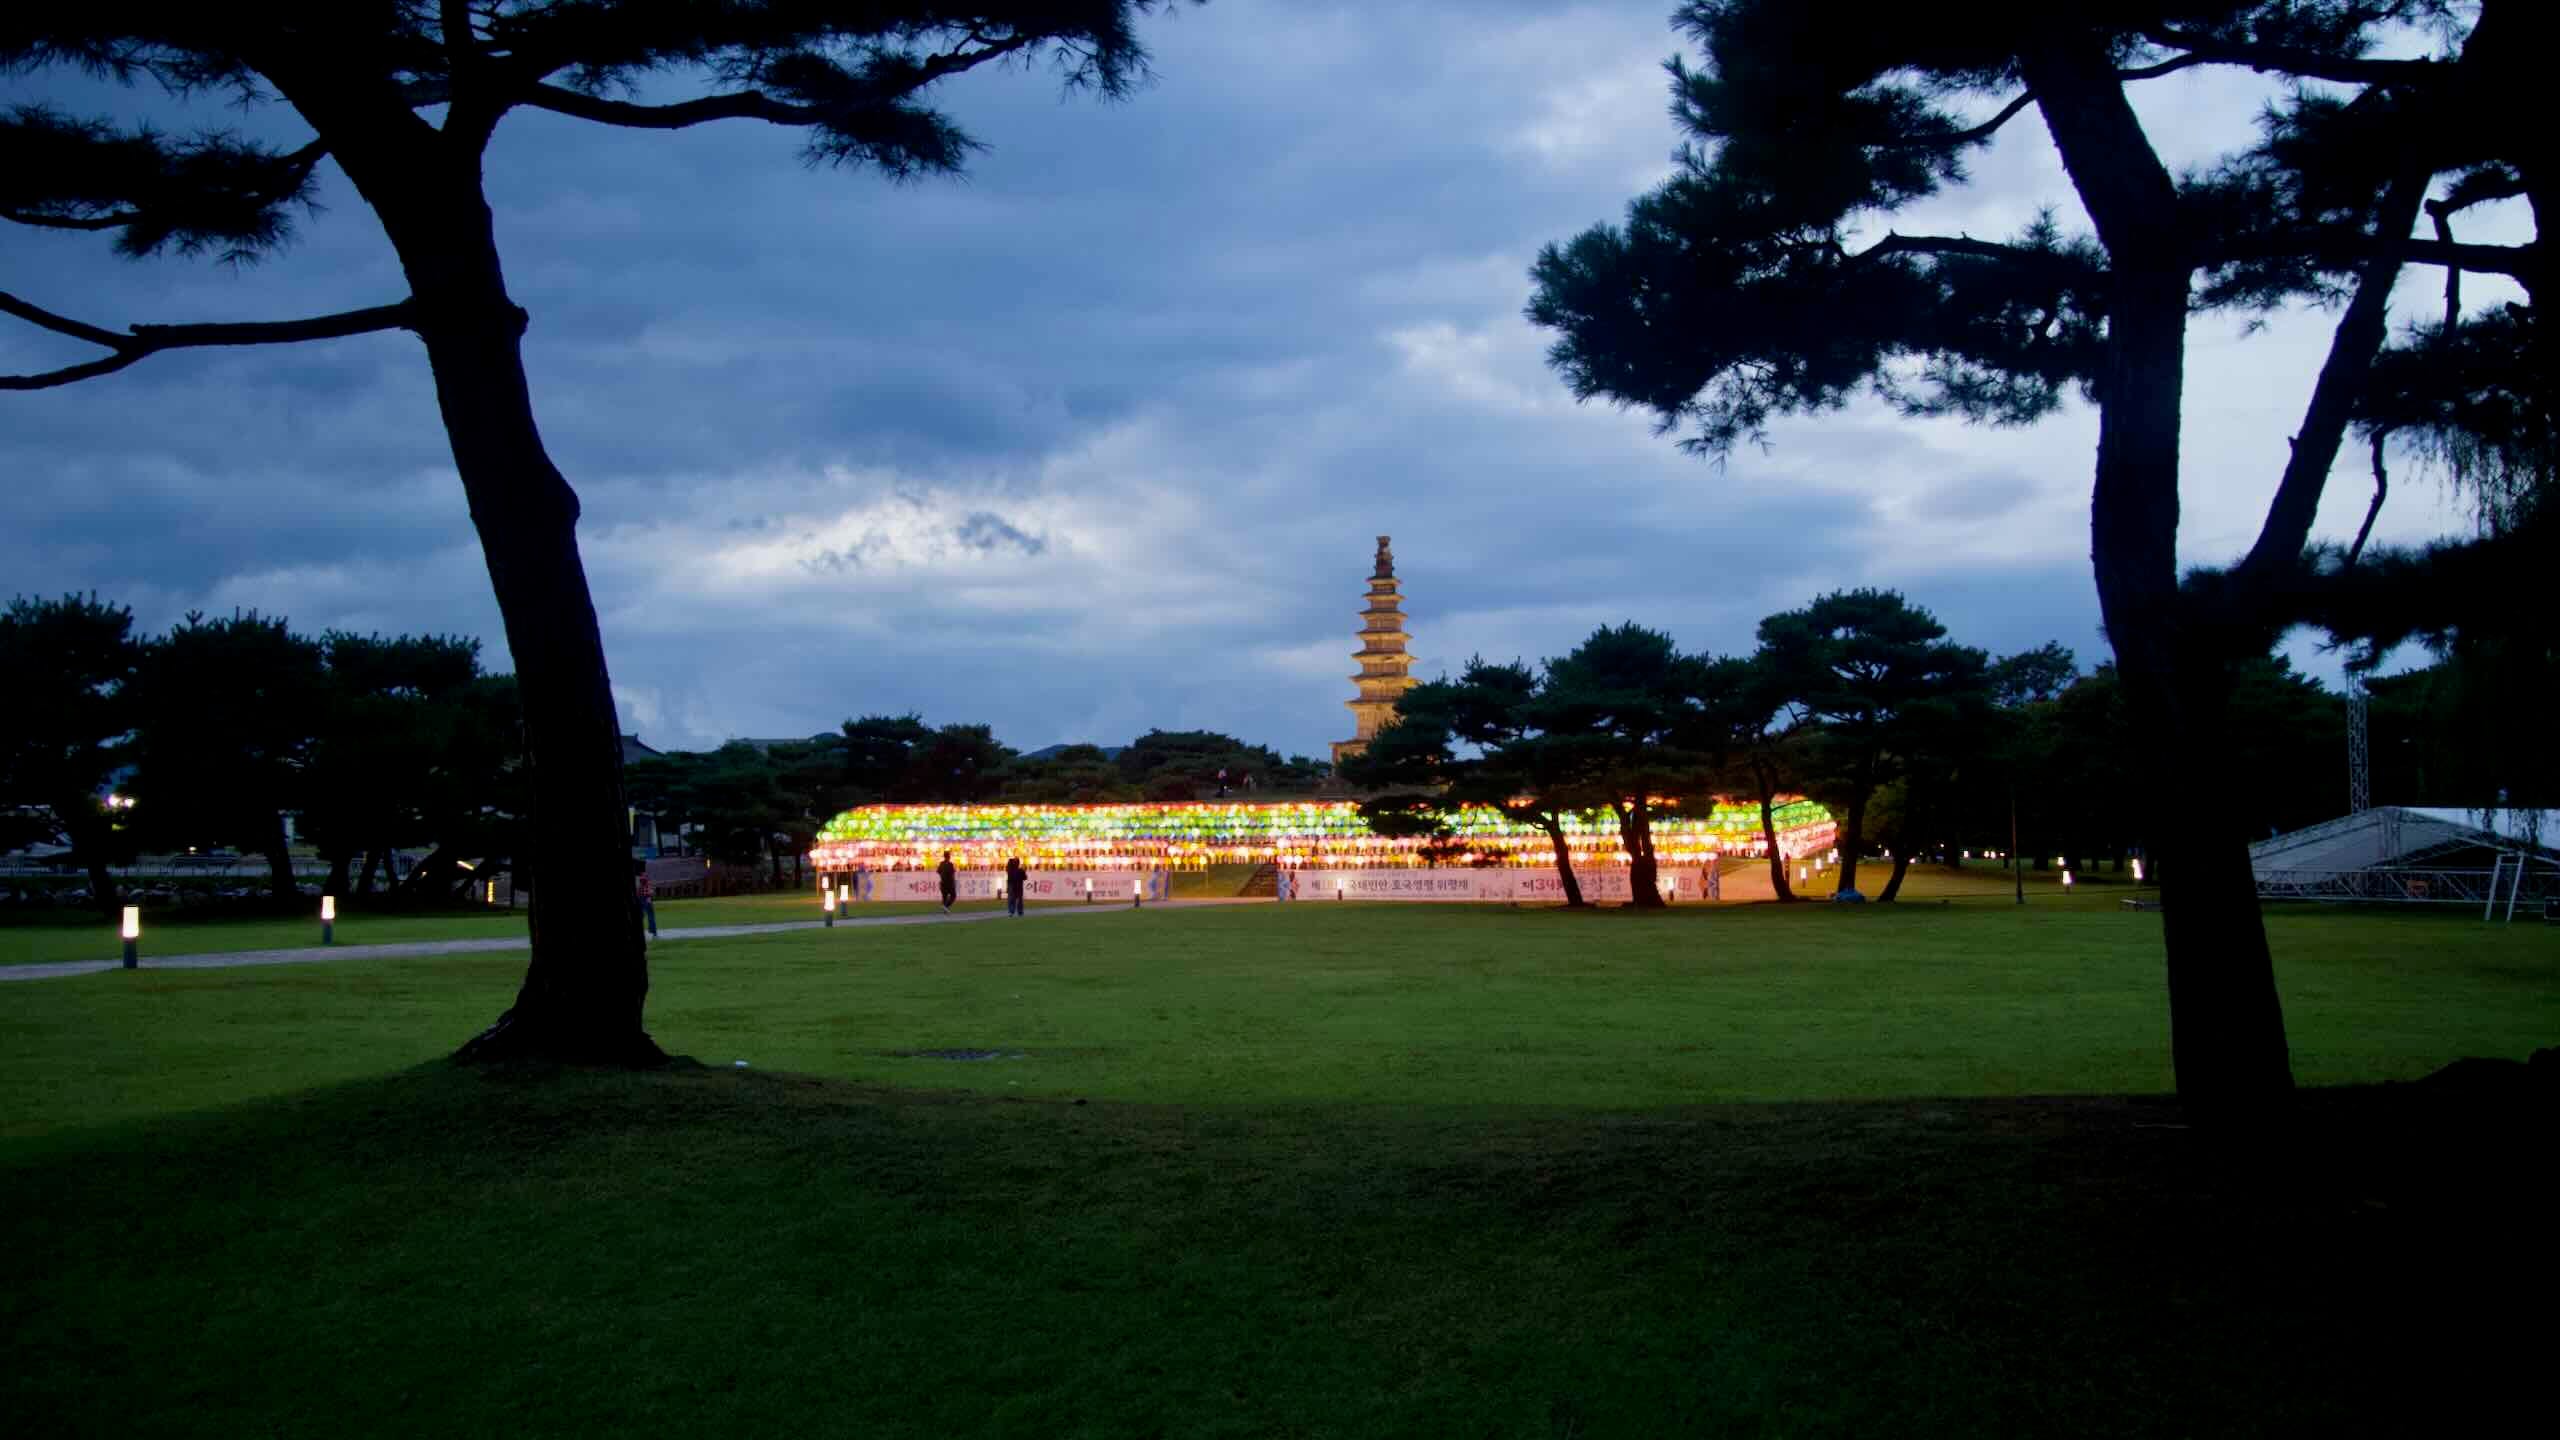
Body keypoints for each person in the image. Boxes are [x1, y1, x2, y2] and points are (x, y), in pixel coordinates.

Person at [633, 859, 657, 939]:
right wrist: (650, 896)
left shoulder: (637, 877)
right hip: (645, 897)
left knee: (642, 915)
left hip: (640, 898)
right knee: (650, 915)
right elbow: (648, 887)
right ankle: (653, 932)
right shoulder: (643, 876)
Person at [936, 850, 957, 915]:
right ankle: (945, 907)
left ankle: (945, 910)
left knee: (944, 897)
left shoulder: (941, 863)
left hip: (943, 883)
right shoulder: (950, 864)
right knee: (953, 895)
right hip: (949, 883)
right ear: (949, 857)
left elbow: (938, 871)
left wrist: (942, 876)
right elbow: (953, 874)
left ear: (944, 856)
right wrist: (953, 882)